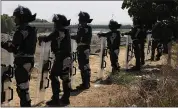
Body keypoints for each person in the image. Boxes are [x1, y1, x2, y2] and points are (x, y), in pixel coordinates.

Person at [1, 6, 37, 107]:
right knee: (24, 87)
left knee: (22, 89)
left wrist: (3, 43)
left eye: (16, 17)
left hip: (22, 62)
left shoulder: (21, 30)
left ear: (21, 18)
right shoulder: (31, 30)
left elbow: (13, 48)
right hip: (29, 61)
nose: (14, 19)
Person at [38, 14, 71, 106]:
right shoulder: (66, 31)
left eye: (55, 23)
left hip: (61, 58)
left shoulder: (58, 31)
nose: (54, 25)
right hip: (67, 57)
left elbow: (48, 38)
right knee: (65, 78)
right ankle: (66, 98)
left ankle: (56, 99)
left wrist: (41, 38)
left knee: (53, 76)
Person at [71, 11, 92, 90]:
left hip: (83, 48)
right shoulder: (86, 28)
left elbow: (79, 37)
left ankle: (85, 84)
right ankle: (86, 83)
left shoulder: (84, 28)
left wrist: (71, 36)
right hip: (84, 48)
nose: (78, 20)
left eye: (80, 18)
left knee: (84, 66)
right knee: (84, 66)